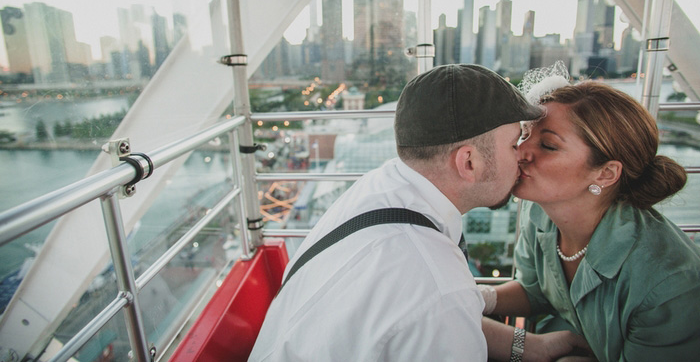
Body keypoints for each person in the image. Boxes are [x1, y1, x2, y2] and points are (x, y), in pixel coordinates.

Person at [249, 64, 588, 361]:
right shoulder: (434, 280)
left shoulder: (379, 188)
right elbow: (436, 305)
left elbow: (426, 316)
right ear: (469, 162)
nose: (522, 155)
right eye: (514, 143)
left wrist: (531, 347)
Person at [480, 74, 700, 361]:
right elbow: (535, 292)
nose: (520, 151)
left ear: (605, 173)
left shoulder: (670, 283)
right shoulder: (540, 214)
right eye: (524, 134)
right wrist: (477, 299)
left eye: (547, 145)